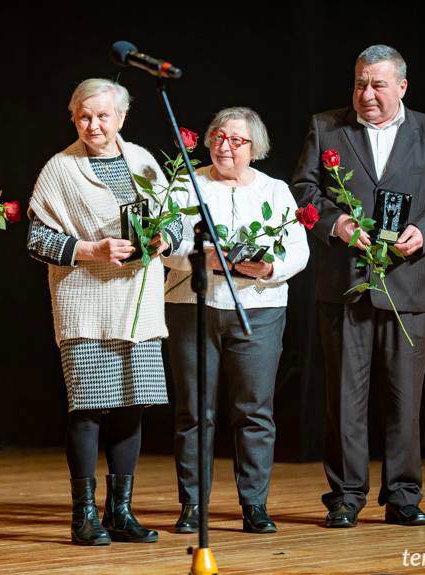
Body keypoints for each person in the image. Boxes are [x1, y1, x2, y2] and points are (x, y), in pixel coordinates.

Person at [291, 44, 425, 528]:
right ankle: (346, 497)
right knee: (344, 399)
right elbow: (303, 191)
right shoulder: (326, 126)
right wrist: (338, 224)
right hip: (344, 286)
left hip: (408, 287)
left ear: (402, 87)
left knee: (404, 398)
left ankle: (403, 496)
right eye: (359, 83)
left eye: (377, 84)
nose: (366, 94)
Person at [27, 78, 182, 546]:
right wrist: (89, 249)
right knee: (89, 408)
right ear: (73, 118)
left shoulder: (143, 161)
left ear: (122, 118)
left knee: (132, 408)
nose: (94, 125)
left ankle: (120, 511)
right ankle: (84, 515)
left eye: (102, 116)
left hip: (137, 303)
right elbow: (36, 240)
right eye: (84, 116)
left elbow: (172, 217)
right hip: (86, 304)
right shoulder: (60, 168)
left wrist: (164, 238)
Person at [164, 107, 309, 534]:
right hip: (193, 306)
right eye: (219, 137)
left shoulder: (276, 190)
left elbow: (298, 250)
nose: (226, 146)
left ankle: (254, 505)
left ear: (254, 148)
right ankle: (192, 505)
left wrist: (268, 268)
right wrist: (199, 257)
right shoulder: (185, 185)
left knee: (254, 412)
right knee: (194, 412)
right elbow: (163, 243)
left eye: (237, 140)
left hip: (258, 309)